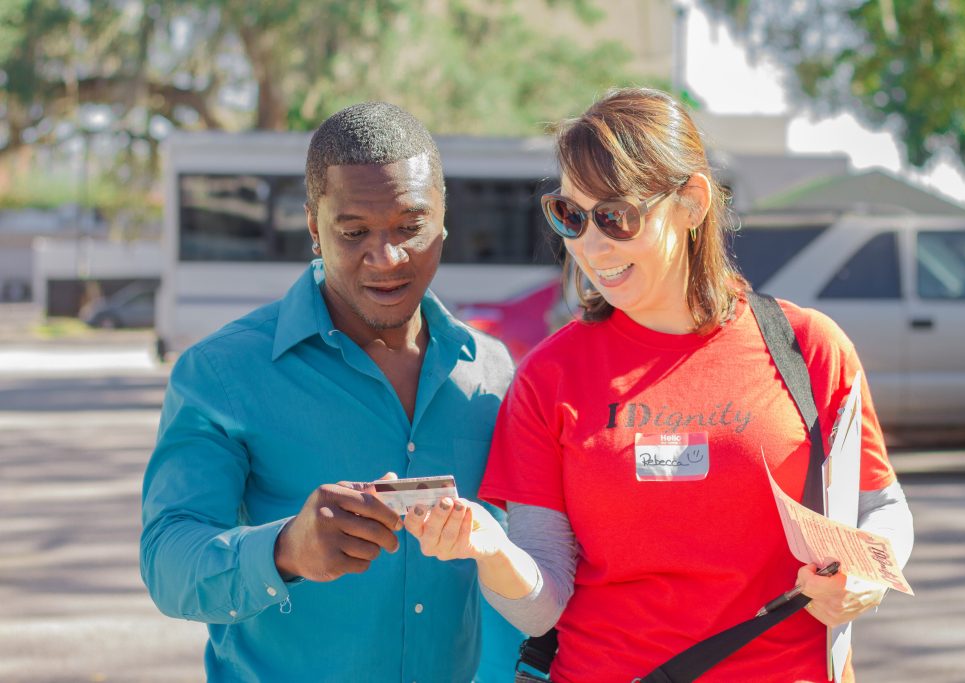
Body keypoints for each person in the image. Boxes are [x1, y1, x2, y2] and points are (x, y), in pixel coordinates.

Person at [404, 88, 915, 683]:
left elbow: (883, 506)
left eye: (616, 217)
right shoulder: (549, 376)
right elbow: (543, 603)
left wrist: (864, 575)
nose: (591, 246)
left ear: (692, 203)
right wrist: (490, 550)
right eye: (569, 214)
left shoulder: (809, 348)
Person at [140, 101, 522, 682]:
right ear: (315, 229)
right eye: (354, 232)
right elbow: (168, 561)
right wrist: (286, 550)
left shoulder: (492, 372)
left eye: (410, 227)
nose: (387, 257)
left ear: (444, 223)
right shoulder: (220, 373)